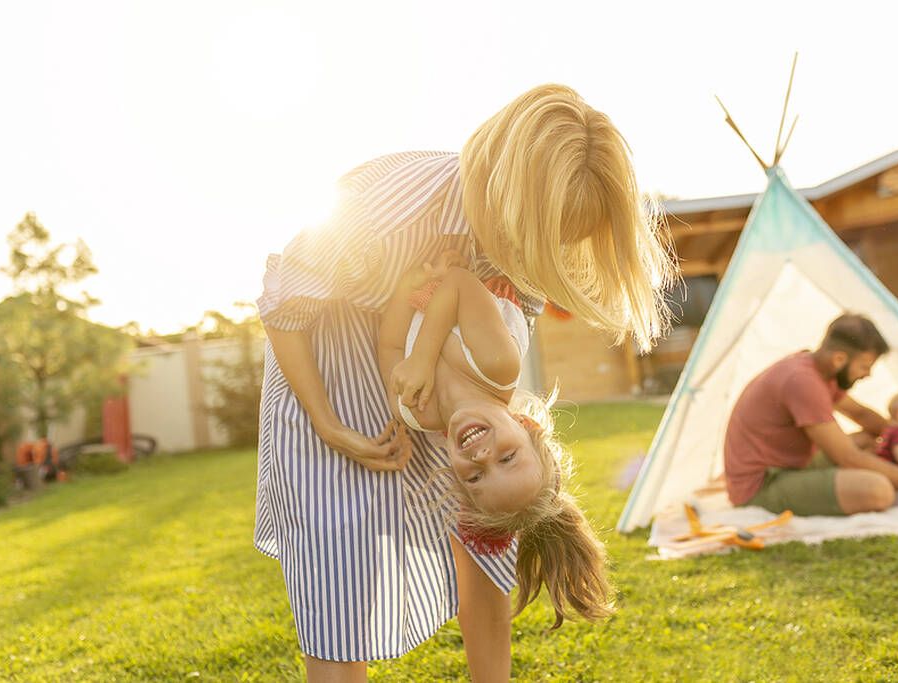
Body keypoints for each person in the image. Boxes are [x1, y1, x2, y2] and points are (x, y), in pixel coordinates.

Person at [254, 83, 676, 681]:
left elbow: (412, 342)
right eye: (537, 238)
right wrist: (330, 423)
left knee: (487, 524)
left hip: (422, 368)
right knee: (339, 548)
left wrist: (414, 382)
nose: (535, 256)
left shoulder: (455, 412)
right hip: (324, 359)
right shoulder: (389, 202)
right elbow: (284, 303)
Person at [377, 254, 612, 629]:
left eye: (475, 477)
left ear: (455, 475)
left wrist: (405, 290)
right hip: (481, 258)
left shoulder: (416, 413)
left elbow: (388, 347)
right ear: (525, 424)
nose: (482, 456)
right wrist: (421, 358)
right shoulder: (497, 364)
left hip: (412, 273)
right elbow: (458, 283)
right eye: (507, 457)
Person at [723, 314, 898, 517]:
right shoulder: (802, 382)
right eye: (864, 366)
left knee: (871, 441)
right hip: (761, 485)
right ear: (840, 359)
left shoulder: (820, 371)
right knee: (878, 490)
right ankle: (896, 487)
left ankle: (879, 482)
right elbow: (848, 457)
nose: (868, 374)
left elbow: (861, 414)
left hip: (791, 463)